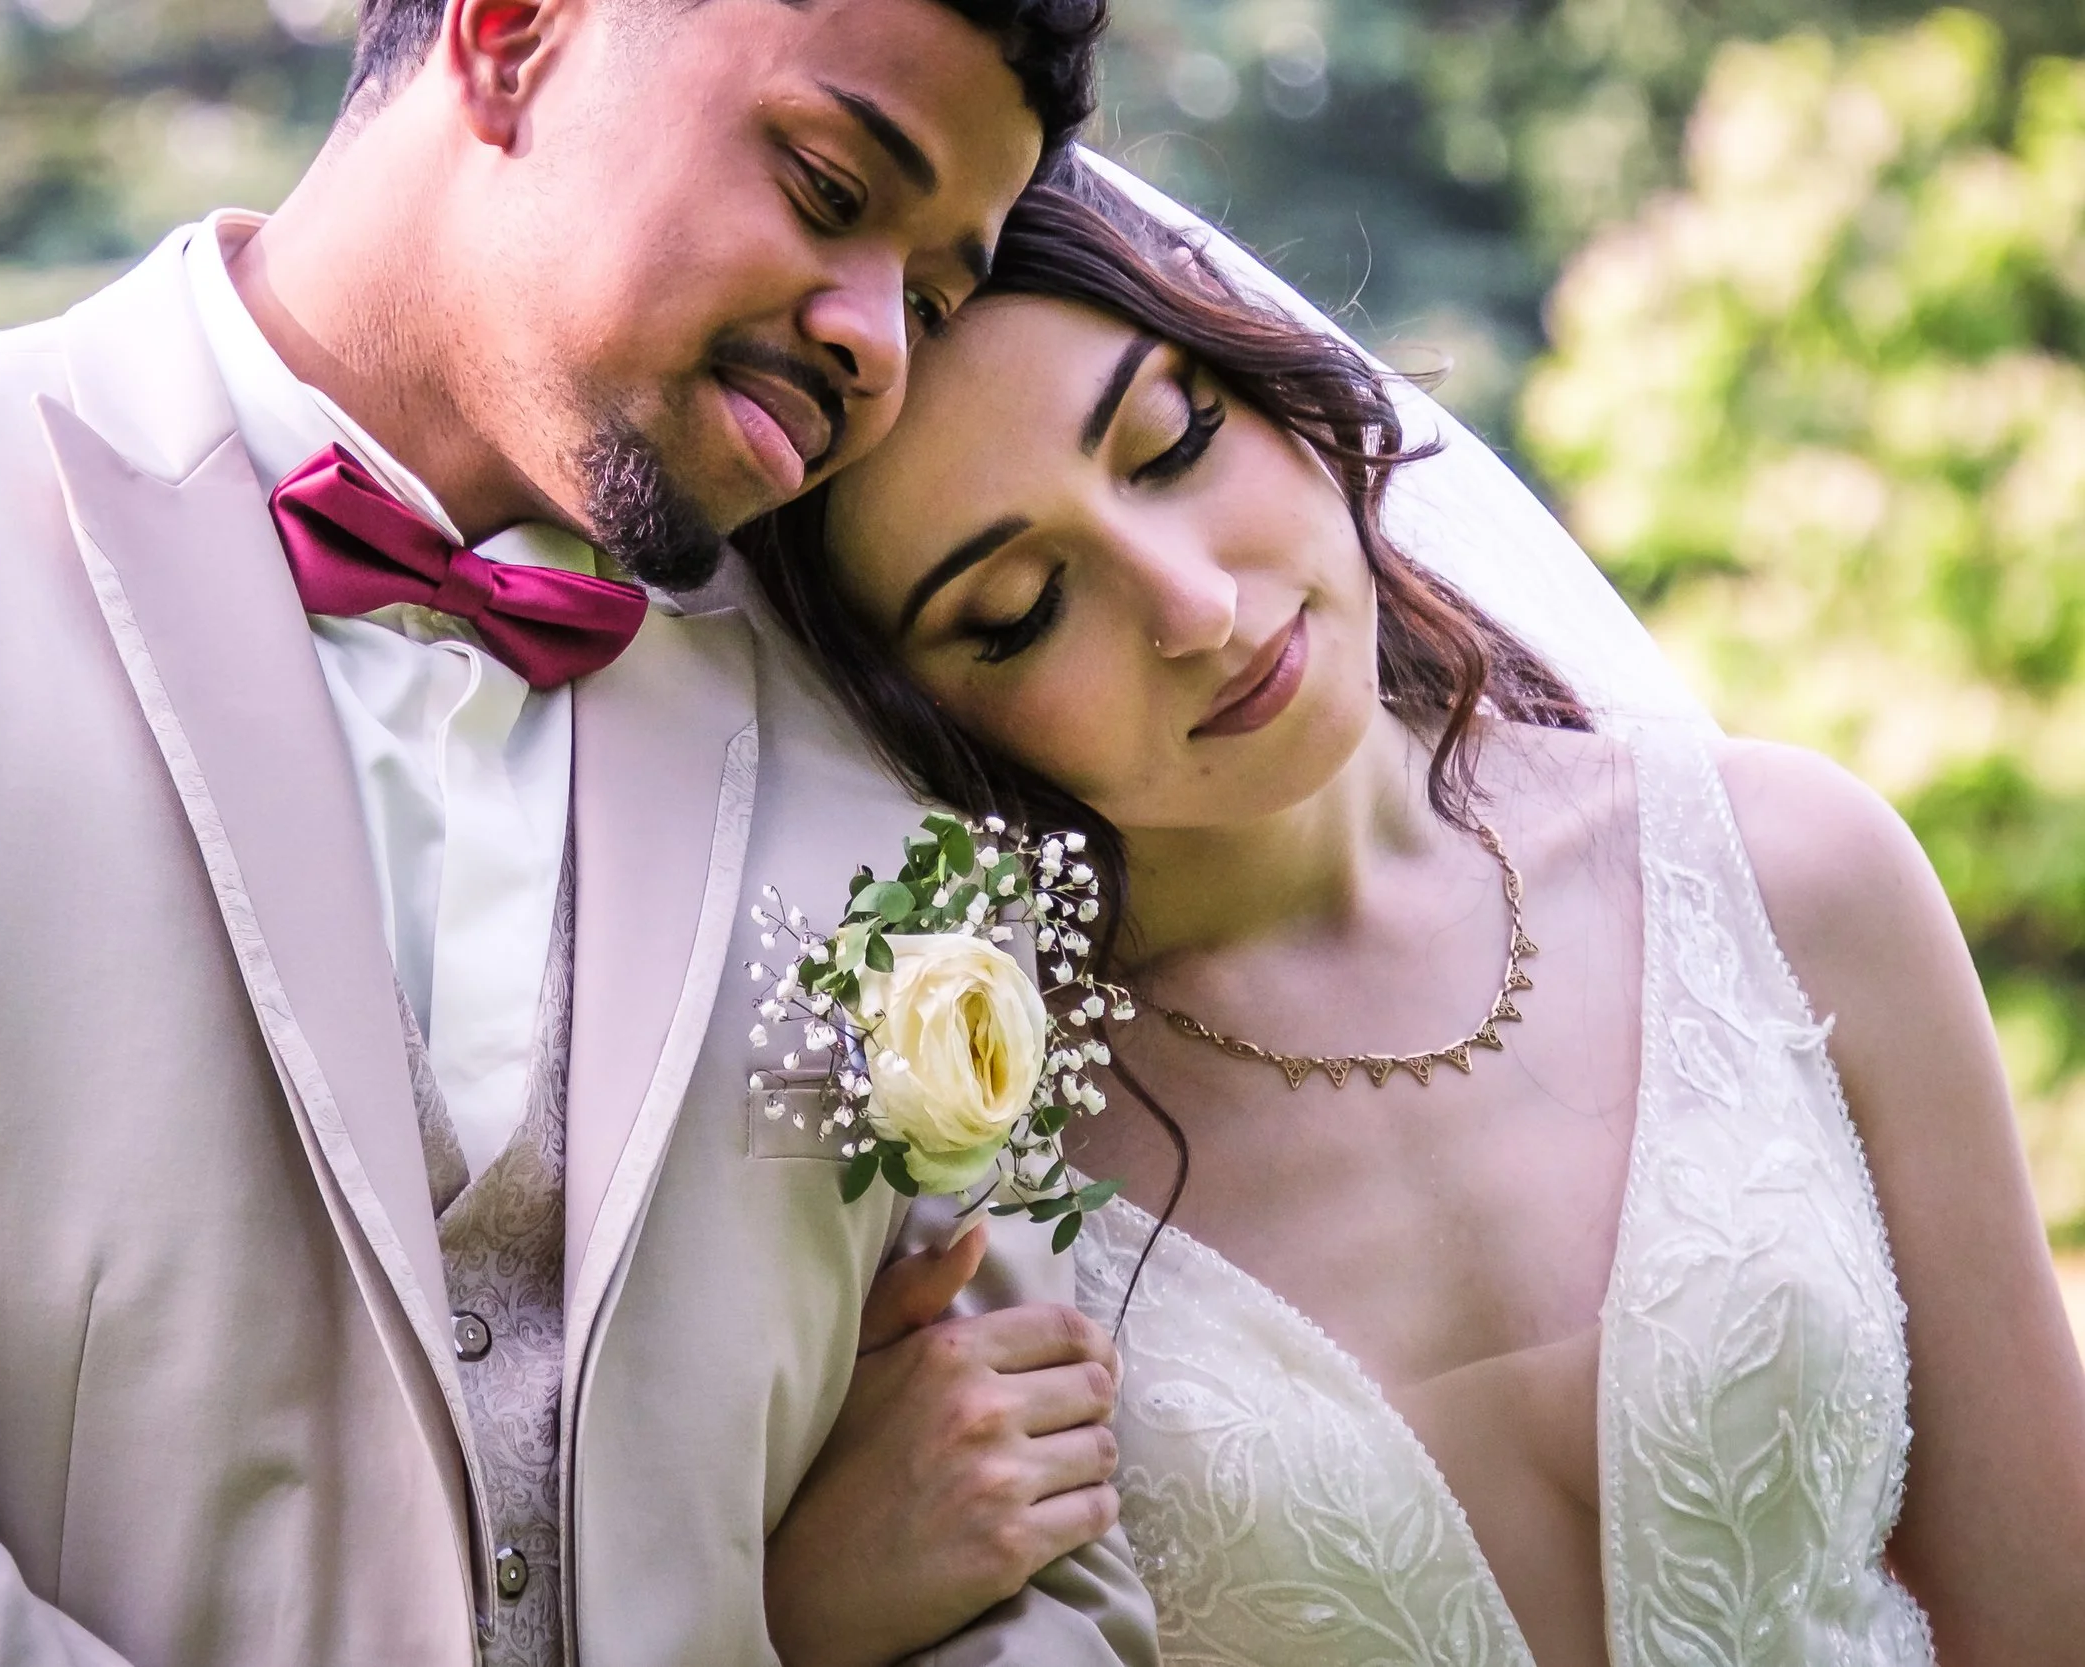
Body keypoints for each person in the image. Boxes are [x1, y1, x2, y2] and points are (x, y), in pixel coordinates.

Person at [0, 0, 1160, 1661]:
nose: (876, 344)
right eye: (832, 187)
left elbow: (1034, 1554)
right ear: (511, 36)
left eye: (930, 295)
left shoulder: (878, 777)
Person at [737, 168, 2085, 1664]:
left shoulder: (1793, 877)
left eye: (1173, 442)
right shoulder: (951, 1151)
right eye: (1022, 609)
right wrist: (802, 1618)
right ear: (918, 713)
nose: (1194, 607)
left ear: (1261, 374)